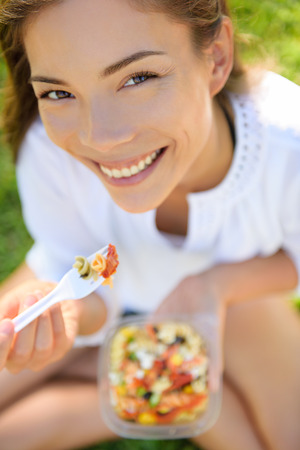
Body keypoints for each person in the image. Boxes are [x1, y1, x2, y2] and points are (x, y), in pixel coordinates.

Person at [0, 0, 300, 449]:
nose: (99, 137)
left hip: (240, 308)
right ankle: (142, 394)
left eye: (138, 78)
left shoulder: (289, 146)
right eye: (59, 92)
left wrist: (214, 287)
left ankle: (154, 392)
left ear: (216, 59)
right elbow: (75, 267)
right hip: (102, 295)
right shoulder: (50, 152)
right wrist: (71, 309)